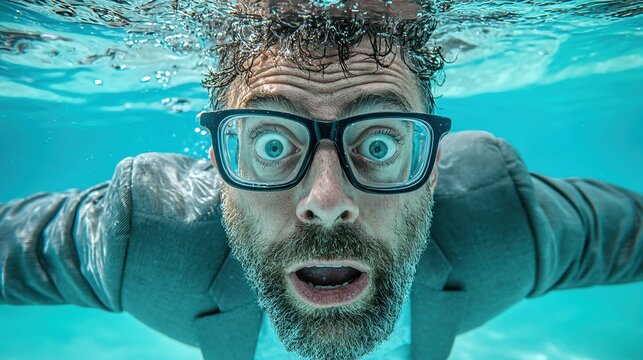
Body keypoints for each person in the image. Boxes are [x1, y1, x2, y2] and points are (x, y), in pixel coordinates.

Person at [1, 2, 641, 360]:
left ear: (434, 166)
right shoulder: (147, 239)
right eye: (272, 143)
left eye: (381, 141)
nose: (327, 202)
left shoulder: (504, 224)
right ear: (221, 165)